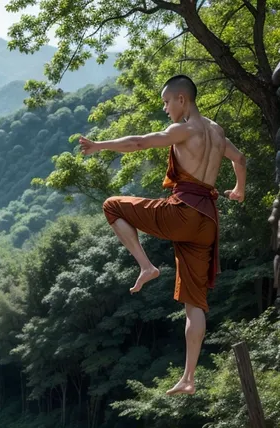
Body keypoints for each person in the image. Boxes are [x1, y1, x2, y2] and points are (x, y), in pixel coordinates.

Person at [79, 75, 247, 396]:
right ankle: (188, 378)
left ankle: (146, 266)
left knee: (113, 206)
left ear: (182, 99)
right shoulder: (217, 132)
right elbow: (239, 159)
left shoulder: (185, 129)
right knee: (194, 302)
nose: (165, 108)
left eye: (167, 102)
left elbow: (140, 142)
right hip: (208, 222)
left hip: (183, 212)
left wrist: (100, 146)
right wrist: (239, 189)